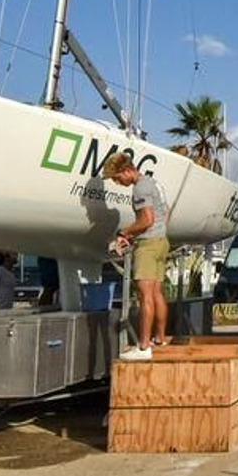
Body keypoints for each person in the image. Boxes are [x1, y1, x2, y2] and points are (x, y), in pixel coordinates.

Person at [103, 154, 170, 360]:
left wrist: (124, 233)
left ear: (127, 170)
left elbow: (147, 220)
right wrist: (147, 234)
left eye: (117, 178)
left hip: (148, 246)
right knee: (157, 294)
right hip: (161, 241)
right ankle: (159, 339)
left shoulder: (140, 188)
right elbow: (165, 213)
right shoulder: (153, 183)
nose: (118, 183)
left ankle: (143, 347)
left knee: (144, 296)